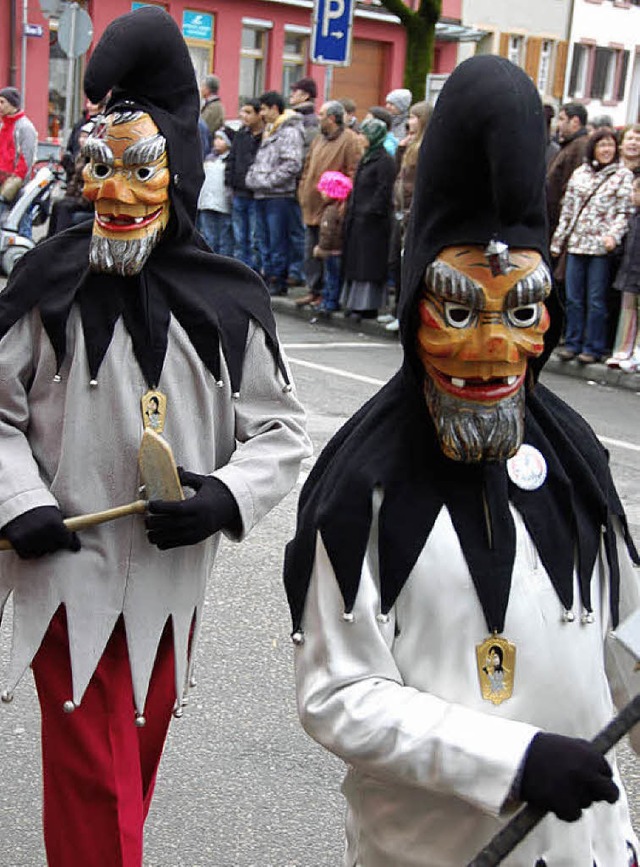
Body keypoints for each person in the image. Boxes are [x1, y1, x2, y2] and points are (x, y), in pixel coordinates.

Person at [285, 55, 640, 867]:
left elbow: (626, 631)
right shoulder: (358, 487)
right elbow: (338, 694)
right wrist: (510, 759)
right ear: (413, 312)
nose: (490, 350)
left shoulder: (579, 455)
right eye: (457, 310)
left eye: (520, 309)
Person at [0, 9, 311, 867]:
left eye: (141, 170)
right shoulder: (49, 284)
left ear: (173, 168)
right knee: (99, 796)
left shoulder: (228, 297)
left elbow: (281, 428)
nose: (119, 192)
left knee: (125, 781)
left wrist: (223, 496)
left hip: (170, 597)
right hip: (67, 584)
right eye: (103, 168)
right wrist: (19, 497)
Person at [551, 127, 634, 364]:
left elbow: (624, 212)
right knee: (574, 297)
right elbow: (568, 209)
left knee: (596, 300)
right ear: (593, 148)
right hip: (577, 244)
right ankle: (573, 342)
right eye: (602, 145)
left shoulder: (622, 175)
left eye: (610, 145)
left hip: (600, 248)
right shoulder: (580, 173)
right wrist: (558, 241)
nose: (606, 150)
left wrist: (612, 237)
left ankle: (593, 346)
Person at [296, 100, 362, 308]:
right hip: (311, 205)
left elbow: (353, 173)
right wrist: (303, 189)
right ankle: (313, 289)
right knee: (310, 251)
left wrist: (336, 196)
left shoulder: (350, 140)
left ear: (332, 118)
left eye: (322, 115)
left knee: (328, 252)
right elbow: (307, 167)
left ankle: (328, 293)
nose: (318, 118)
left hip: (332, 210)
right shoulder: (318, 140)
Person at [245, 90, 305, 297]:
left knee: (277, 240)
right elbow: (260, 160)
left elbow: (291, 164)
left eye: (263, 109)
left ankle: (278, 279)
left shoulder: (289, 132)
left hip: (279, 195)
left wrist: (266, 181)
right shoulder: (271, 130)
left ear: (274, 108)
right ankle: (268, 274)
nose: (261, 113)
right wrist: (252, 178)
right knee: (263, 239)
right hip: (262, 194)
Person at [383, 100, 432, 333]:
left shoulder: (426, 148)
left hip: (412, 214)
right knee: (395, 261)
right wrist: (402, 148)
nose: (409, 122)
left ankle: (406, 315)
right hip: (400, 212)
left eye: (414, 117)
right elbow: (399, 176)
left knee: (406, 264)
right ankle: (397, 311)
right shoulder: (410, 146)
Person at [340, 118, 396, 320]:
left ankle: (367, 306)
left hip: (373, 222)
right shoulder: (366, 158)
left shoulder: (384, 161)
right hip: (359, 219)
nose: (360, 138)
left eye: (364, 134)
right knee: (357, 261)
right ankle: (354, 303)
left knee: (368, 264)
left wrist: (370, 211)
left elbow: (383, 190)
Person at [226, 98, 265, 271]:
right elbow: (232, 159)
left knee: (255, 236)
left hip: (256, 193)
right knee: (239, 236)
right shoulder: (241, 135)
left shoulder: (266, 137)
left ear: (259, 114)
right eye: (242, 112)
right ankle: (240, 270)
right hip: (239, 192)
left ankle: (254, 271)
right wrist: (229, 181)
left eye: (248, 112)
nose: (244, 116)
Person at [607, 172, 640, 372]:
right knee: (627, 312)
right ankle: (622, 350)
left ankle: (637, 352)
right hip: (629, 273)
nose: (633, 195)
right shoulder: (633, 218)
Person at [546, 102, 589, 241]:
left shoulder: (580, 147)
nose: (558, 125)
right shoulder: (569, 146)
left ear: (575, 121)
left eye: (562, 119)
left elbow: (572, 185)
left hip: (559, 221)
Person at [312, 170, 353, 313]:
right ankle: (330, 300)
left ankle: (330, 302)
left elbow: (327, 233)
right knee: (334, 277)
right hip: (338, 250)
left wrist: (321, 247)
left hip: (330, 251)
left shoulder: (331, 211)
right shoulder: (340, 208)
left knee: (331, 278)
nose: (321, 193)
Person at [46, 120, 95, 237]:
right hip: (79, 195)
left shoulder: (93, 158)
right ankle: (50, 238)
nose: (82, 140)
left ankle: (60, 239)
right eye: (81, 137)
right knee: (58, 204)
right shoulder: (80, 156)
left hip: (89, 200)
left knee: (65, 207)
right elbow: (74, 180)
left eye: (86, 137)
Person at [0, 86, 37, 238]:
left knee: (22, 222)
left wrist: (14, 183)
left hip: (16, 185)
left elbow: (26, 159)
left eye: (2, 102)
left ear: (13, 105)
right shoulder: (3, 125)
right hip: (3, 179)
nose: (0, 106)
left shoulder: (25, 127)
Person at [196, 127, 234, 256]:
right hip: (207, 203)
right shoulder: (208, 160)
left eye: (221, 139)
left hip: (223, 204)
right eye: (216, 138)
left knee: (225, 237)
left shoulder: (230, 161)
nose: (217, 142)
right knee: (208, 236)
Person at [289, 76, 319, 157]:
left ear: (305, 96)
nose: (291, 94)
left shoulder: (310, 121)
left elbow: (306, 151)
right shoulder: (294, 116)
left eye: (295, 91)